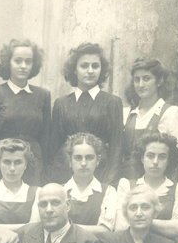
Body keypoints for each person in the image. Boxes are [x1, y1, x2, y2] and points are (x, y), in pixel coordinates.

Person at [0, 38, 53, 185]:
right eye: (18, 61)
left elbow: (46, 139)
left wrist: (45, 175)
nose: (23, 66)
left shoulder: (43, 95)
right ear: (8, 63)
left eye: (28, 61)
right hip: (1, 165)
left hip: (33, 167)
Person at [46, 43, 124, 184]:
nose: (90, 71)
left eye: (95, 66)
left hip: (101, 174)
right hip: (66, 175)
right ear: (74, 70)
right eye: (84, 66)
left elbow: (116, 147)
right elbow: (54, 148)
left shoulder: (112, 102)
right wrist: (56, 181)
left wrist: (109, 183)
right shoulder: (61, 104)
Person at [118, 57, 178, 180]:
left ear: (159, 81)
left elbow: (176, 158)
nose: (141, 85)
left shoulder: (171, 113)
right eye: (137, 79)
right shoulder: (126, 113)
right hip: (126, 181)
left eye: (146, 79)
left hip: (155, 181)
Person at [116, 132, 178, 240]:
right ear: (142, 158)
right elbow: (121, 227)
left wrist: (138, 221)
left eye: (162, 157)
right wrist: (166, 225)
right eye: (150, 156)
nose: (155, 162)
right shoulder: (127, 185)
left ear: (169, 161)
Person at [62, 132, 119, 234]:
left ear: (98, 160)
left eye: (89, 157)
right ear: (70, 161)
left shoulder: (109, 192)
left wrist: (68, 229)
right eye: (78, 158)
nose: (83, 163)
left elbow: (105, 230)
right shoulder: (59, 192)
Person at [0, 138, 39, 230]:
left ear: (25, 165)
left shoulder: (36, 193)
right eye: (7, 162)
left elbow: (34, 228)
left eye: (18, 162)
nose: (12, 168)